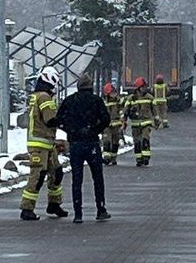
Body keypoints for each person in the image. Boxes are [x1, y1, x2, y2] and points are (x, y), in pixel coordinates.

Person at [55, 74, 111, 223]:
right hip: (92, 144)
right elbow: (106, 119)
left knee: (77, 179)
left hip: (75, 144)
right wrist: (94, 130)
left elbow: (59, 119)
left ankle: (78, 213)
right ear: (91, 87)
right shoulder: (96, 101)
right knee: (97, 178)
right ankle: (101, 209)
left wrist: (71, 131)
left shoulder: (70, 101)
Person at [20, 66, 68, 221]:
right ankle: (27, 208)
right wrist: (66, 122)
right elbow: (50, 120)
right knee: (38, 176)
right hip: (40, 144)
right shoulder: (44, 97)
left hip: (47, 144)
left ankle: (54, 204)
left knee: (56, 173)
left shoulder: (38, 95)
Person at [124, 77, 160, 166]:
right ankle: (139, 159)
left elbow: (155, 110)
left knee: (145, 139)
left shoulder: (149, 97)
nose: (144, 89)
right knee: (137, 142)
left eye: (145, 87)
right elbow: (125, 111)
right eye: (142, 87)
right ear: (138, 88)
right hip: (135, 124)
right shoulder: (131, 99)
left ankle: (146, 157)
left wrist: (156, 120)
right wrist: (123, 121)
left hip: (146, 123)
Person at [101, 82, 125, 166]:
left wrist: (122, 120)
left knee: (115, 142)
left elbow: (122, 111)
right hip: (107, 126)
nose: (113, 94)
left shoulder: (119, 101)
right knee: (107, 140)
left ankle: (113, 157)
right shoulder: (103, 102)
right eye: (111, 93)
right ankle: (107, 158)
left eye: (114, 92)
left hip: (116, 125)